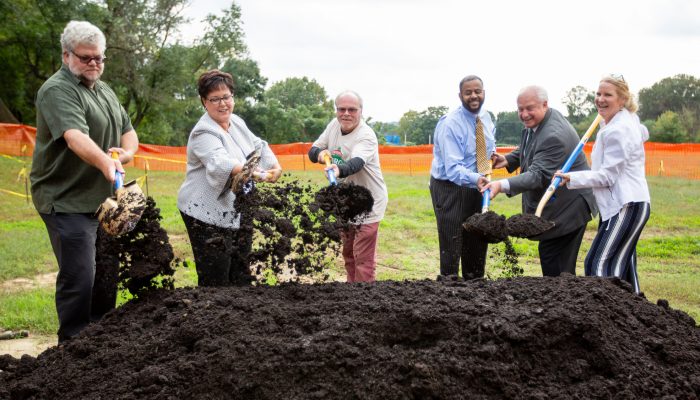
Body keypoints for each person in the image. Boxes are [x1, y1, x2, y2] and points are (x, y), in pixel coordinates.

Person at [30, 21, 139, 343]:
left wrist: (126, 155)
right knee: (81, 276)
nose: (94, 64)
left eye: (100, 58)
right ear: (66, 55)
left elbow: (128, 131)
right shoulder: (57, 90)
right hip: (64, 198)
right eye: (86, 57)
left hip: (103, 201)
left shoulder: (103, 90)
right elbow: (75, 136)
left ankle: (100, 339)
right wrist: (106, 162)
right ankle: (73, 345)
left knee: (106, 273)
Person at [178, 70, 282, 287]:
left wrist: (274, 166)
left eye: (226, 97)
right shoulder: (203, 132)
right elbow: (219, 162)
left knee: (240, 269)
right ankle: (212, 317)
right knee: (216, 275)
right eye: (214, 99)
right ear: (204, 102)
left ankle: (239, 319)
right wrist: (252, 173)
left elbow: (258, 145)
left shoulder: (236, 121)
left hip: (238, 207)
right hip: (205, 212)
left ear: (232, 96)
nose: (222, 104)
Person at [484, 85, 597, 277]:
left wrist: (500, 185)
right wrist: (508, 160)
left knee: (555, 261)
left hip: (569, 206)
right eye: (520, 109)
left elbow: (537, 175)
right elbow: (528, 147)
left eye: (530, 108)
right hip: (559, 203)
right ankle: (560, 298)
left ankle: (564, 301)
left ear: (544, 105)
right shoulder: (538, 123)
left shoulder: (553, 135)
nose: (524, 114)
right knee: (551, 257)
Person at [554, 75, 650, 294]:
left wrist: (572, 178)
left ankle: (609, 322)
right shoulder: (625, 121)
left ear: (622, 99)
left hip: (626, 204)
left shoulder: (619, 129)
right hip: (625, 204)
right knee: (624, 268)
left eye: (608, 95)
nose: (600, 99)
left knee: (599, 266)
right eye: (598, 94)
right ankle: (635, 321)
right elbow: (644, 132)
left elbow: (607, 177)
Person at [308, 90, 388, 283]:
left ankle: (364, 298)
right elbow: (313, 150)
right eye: (341, 109)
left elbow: (357, 163)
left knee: (363, 256)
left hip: (369, 201)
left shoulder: (366, 135)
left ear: (361, 111)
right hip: (346, 202)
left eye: (352, 109)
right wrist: (320, 154)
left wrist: (338, 170)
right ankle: (351, 294)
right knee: (349, 253)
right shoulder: (334, 125)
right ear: (336, 110)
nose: (346, 113)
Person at [430, 75, 494, 280]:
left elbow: (484, 148)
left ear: (484, 92)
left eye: (478, 91)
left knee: (476, 238)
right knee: (452, 242)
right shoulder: (451, 124)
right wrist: (477, 179)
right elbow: (453, 169)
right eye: (468, 92)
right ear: (460, 95)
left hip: (476, 184)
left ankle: (475, 285)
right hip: (449, 187)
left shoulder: (486, 117)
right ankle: (449, 290)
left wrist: (493, 158)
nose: (473, 96)